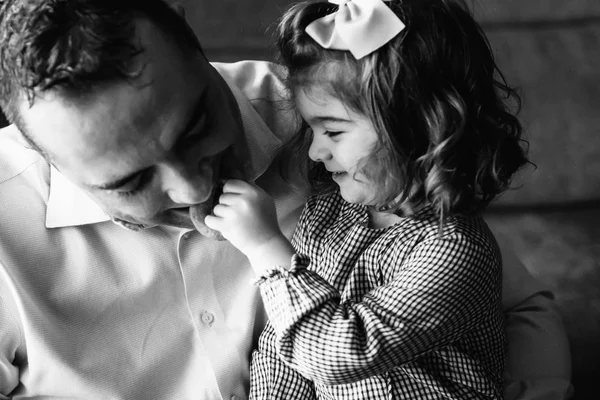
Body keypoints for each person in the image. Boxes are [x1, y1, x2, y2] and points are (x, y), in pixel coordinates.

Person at [0, 0, 570, 399]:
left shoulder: (332, 108)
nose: (197, 190)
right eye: (130, 183)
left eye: (197, 124)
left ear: (189, 35)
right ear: (37, 151)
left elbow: (515, 306)